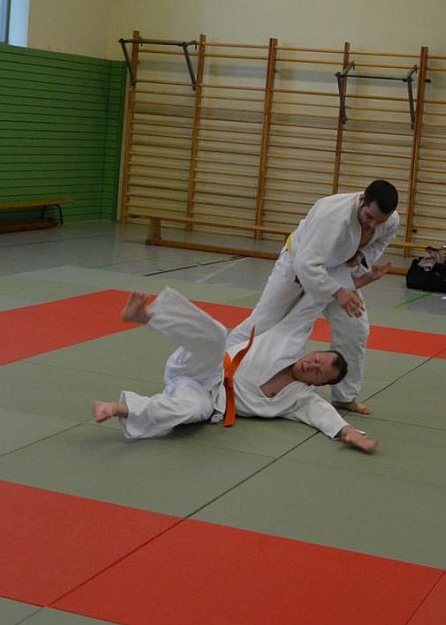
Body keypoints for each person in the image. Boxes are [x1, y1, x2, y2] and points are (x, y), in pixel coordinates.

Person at [93, 288, 378, 452]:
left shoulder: (300, 399)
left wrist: (348, 432)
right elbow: (309, 305)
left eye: (317, 372)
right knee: (218, 335)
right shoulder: (285, 341)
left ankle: (117, 408)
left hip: (205, 397)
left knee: (190, 411)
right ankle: (145, 315)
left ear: (318, 384)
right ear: (313, 352)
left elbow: (323, 414)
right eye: (316, 359)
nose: (311, 365)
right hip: (206, 367)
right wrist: (348, 283)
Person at [225, 180, 400, 416]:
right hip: (297, 265)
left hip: (338, 269)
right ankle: (219, 368)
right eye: (369, 217)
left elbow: (380, 242)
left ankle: (345, 397)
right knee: (264, 322)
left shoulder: (390, 220)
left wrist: (361, 255)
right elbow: (306, 264)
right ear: (361, 200)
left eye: (379, 221)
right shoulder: (332, 215)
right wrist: (338, 292)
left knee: (355, 329)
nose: (373, 224)